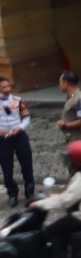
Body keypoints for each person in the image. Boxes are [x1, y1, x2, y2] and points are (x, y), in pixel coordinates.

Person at [0, 76, 35, 208]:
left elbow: (26, 118)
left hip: (19, 136)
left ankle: (30, 192)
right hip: (3, 140)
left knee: (27, 165)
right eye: (4, 87)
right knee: (7, 169)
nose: (8, 89)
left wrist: (19, 128)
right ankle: (12, 193)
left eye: (9, 86)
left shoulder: (18, 100)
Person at [56, 71, 81, 149]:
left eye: (60, 82)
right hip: (73, 138)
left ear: (66, 83)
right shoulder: (71, 97)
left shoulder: (80, 99)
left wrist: (64, 124)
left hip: (80, 139)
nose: (59, 85)